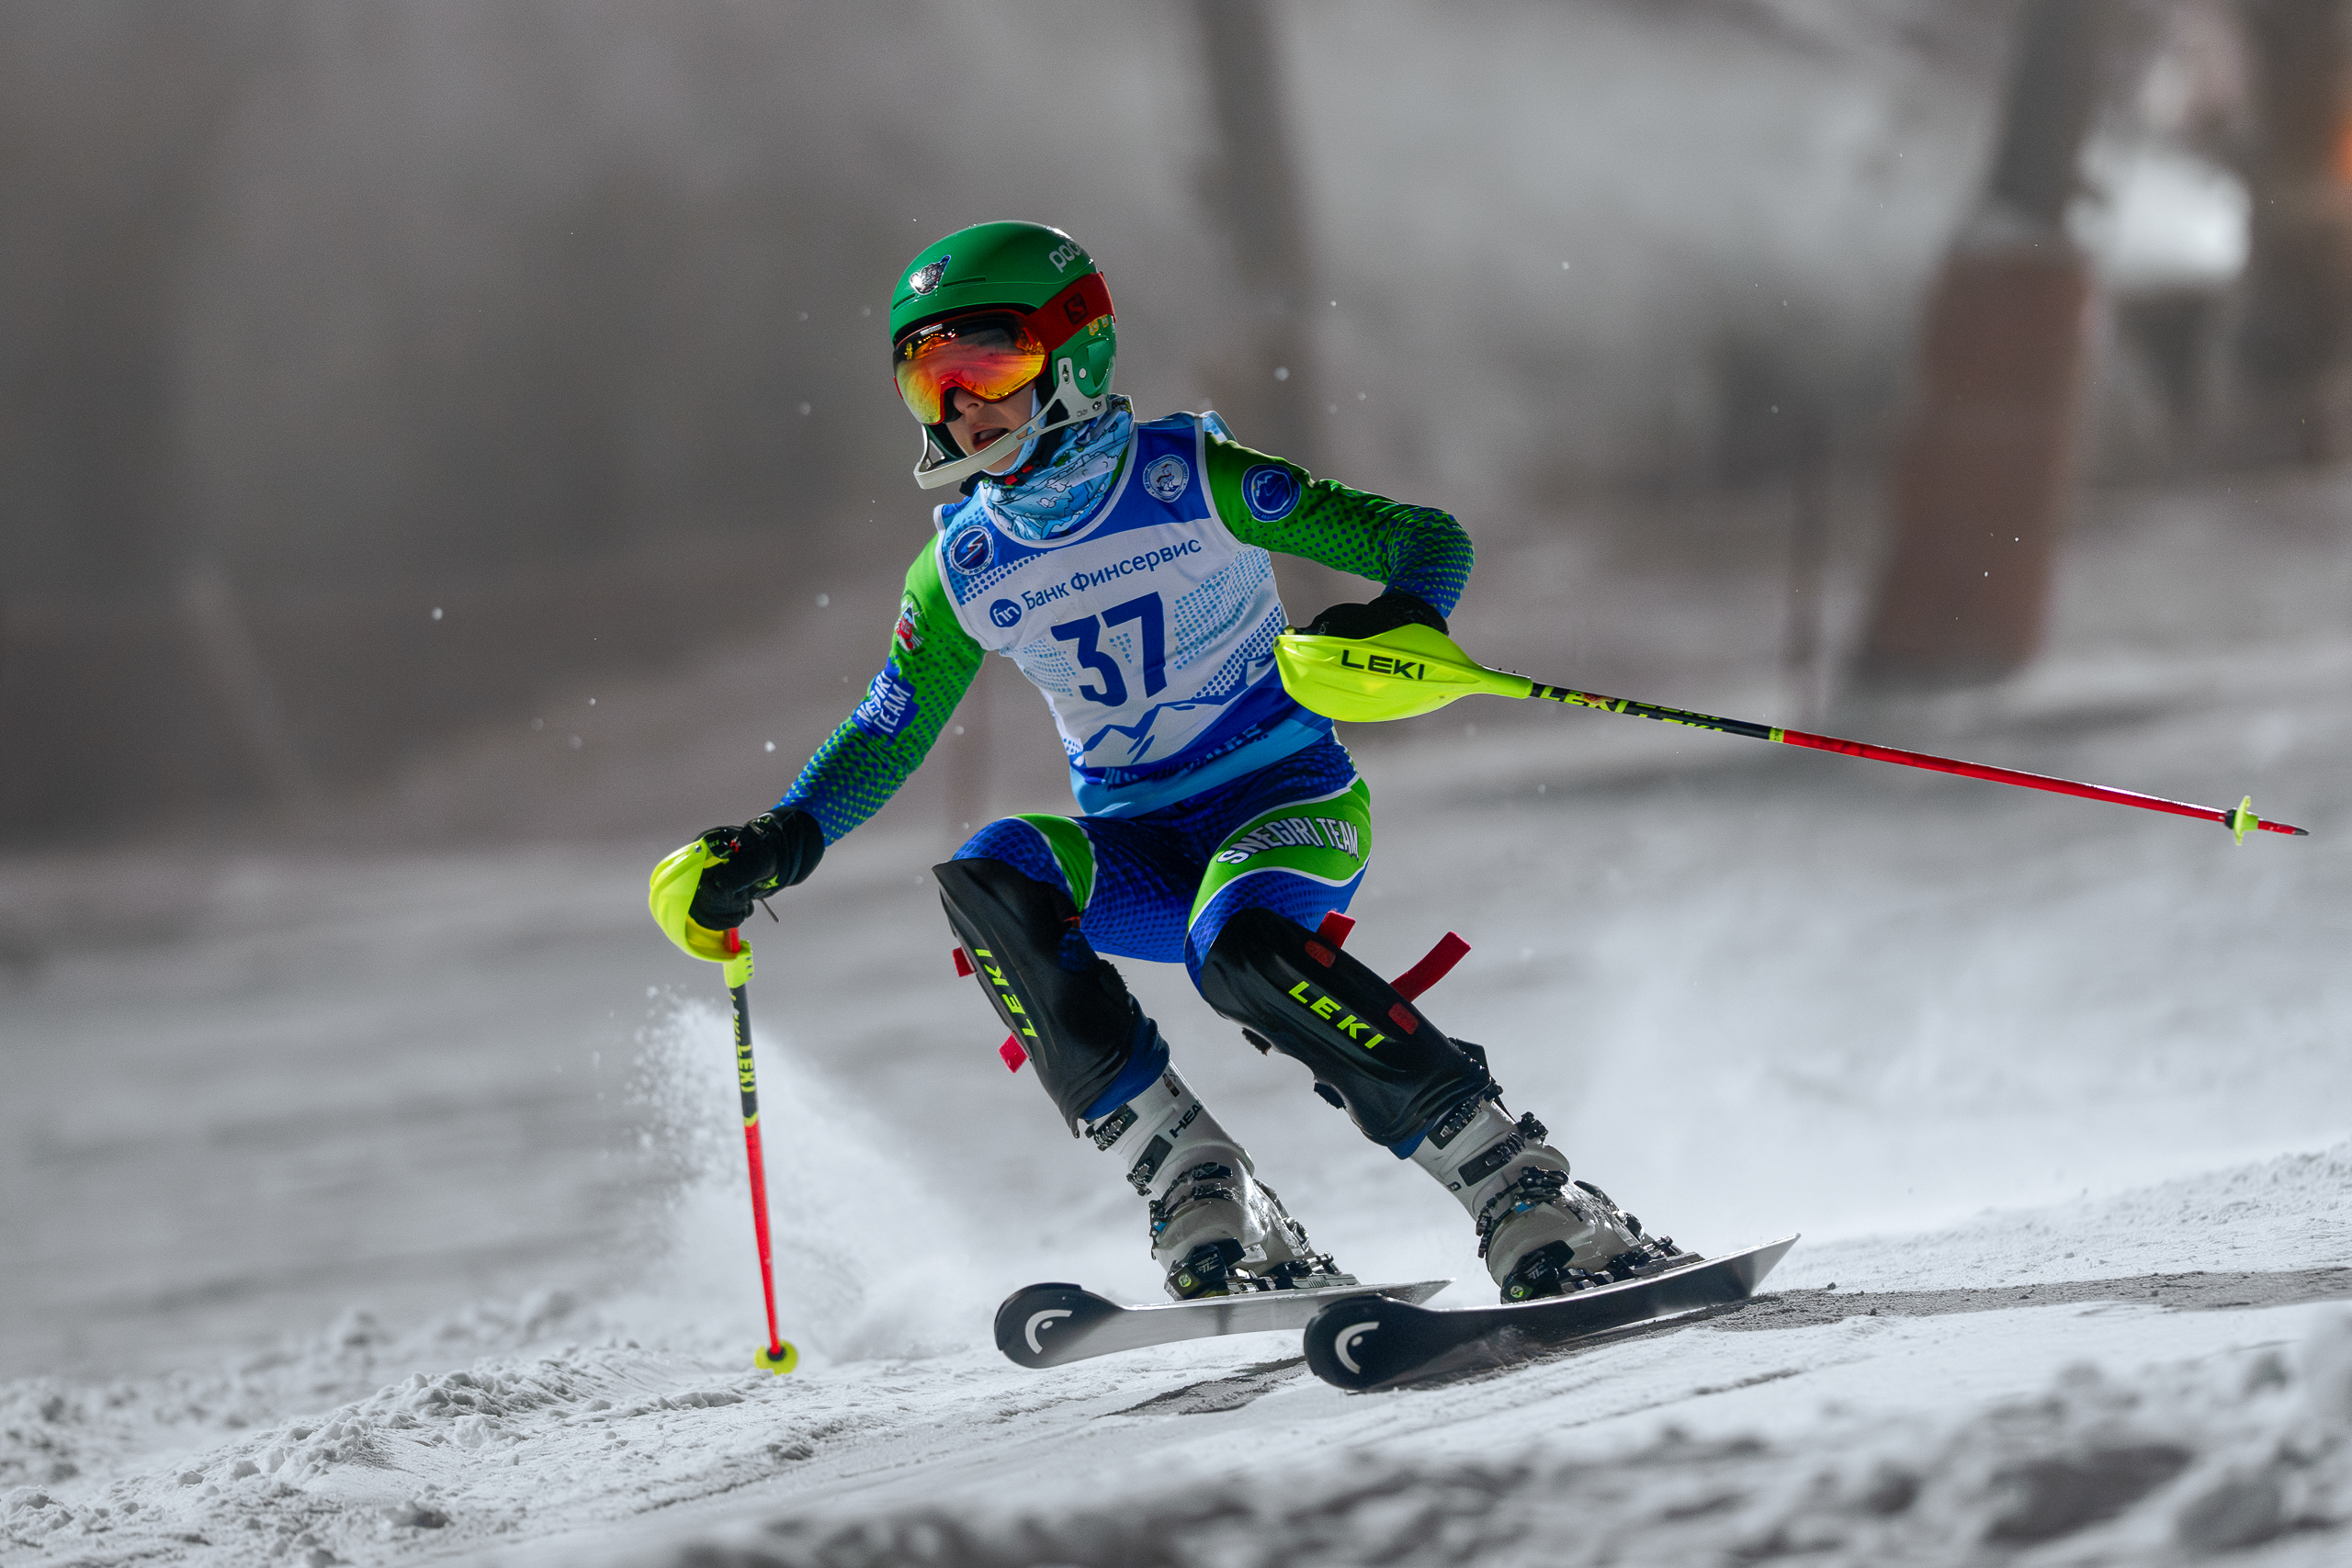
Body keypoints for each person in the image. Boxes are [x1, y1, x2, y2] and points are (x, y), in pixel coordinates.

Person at [650, 221, 1679, 1303]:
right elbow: (886, 728)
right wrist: (777, 841)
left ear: (1076, 355)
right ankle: (1200, 1185)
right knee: (991, 874)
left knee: (1233, 948)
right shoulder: (962, 564)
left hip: (1283, 803)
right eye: (928, 380)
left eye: (986, 366)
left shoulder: (1190, 475)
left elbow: (1423, 538)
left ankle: (1521, 1186)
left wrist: (1400, 617)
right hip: (1138, 849)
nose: (960, 408)